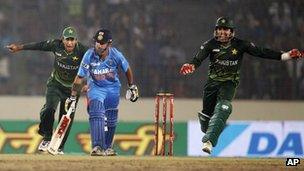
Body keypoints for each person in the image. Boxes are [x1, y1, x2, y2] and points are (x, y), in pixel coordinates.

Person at [179, 17, 303, 154]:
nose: (221, 32)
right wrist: (191, 65)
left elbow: (262, 52)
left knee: (224, 107)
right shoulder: (210, 44)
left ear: (231, 31)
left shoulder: (241, 45)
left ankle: (208, 142)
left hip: (229, 83)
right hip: (211, 85)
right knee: (206, 120)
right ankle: (211, 125)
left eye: (225, 29)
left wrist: (286, 56)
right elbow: (198, 59)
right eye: (219, 29)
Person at [6, 26, 88, 154]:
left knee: (66, 118)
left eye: (72, 40)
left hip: (72, 90)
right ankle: (47, 138)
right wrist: (19, 47)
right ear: (62, 39)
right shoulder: (56, 45)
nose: (70, 43)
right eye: (67, 39)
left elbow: (94, 65)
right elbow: (39, 45)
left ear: (76, 40)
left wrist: (90, 84)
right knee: (49, 109)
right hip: (55, 84)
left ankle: (59, 147)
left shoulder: (83, 51)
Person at [65, 28, 139, 156]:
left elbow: (127, 69)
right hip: (95, 87)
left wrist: (132, 86)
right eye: (97, 42)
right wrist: (72, 97)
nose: (99, 45)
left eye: (102, 43)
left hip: (113, 88)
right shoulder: (89, 55)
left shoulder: (116, 55)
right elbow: (79, 77)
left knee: (111, 119)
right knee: (97, 112)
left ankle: (107, 147)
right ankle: (97, 147)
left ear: (109, 44)